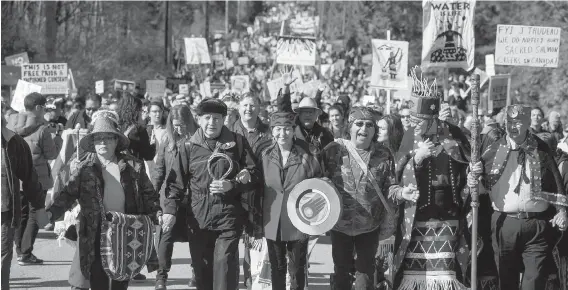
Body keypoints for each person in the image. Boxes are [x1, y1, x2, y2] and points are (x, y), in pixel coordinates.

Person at [48, 111, 162, 290]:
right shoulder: (84, 168)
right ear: (93, 143)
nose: (103, 142)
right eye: (99, 138)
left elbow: (149, 194)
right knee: (97, 280)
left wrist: (158, 213)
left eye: (108, 138)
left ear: (116, 141)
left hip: (125, 231)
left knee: (120, 280)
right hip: (94, 232)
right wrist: (49, 213)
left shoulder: (133, 166)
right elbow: (67, 195)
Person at [164, 98, 261, 290]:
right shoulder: (189, 146)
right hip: (198, 219)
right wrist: (169, 211)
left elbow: (255, 175)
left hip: (229, 218)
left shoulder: (238, 143)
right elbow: (175, 184)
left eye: (217, 118)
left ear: (224, 119)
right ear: (199, 119)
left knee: (224, 267)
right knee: (202, 273)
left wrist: (232, 184)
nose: (212, 123)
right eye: (207, 118)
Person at [468, 105, 567, 290]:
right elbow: (479, 183)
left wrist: (562, 211)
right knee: (506, 279)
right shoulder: (493, 150)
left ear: (528, 123)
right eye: (509, 122)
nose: (512, 126)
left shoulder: (541, 149)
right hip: (504, 223)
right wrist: (473, 175)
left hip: (537, 225)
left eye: (518, 122)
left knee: (534, 280)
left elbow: (555, 182)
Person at [391, 70, 472, 290]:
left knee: (446, 271)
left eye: (419, 120)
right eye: (412, 119)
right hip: (418, 211)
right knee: (417, 274)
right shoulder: (410, 135)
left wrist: (472, 173)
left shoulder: (454, 133)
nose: (414, 123)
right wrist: (416, 159)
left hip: (449, 210)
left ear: (433, 119)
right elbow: (396, 172)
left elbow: (470, 164)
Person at [321, 107, 405, 289]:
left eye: (369, 125)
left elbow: (390, 186)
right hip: (339, 224)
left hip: (369, 226)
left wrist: (401, 193)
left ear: (374, 130)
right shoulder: (333, 150)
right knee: (341, 273)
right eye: (359, 124)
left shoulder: (384, 155)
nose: (363, 129)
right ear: (349, 127)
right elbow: (319, 181)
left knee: (365, 275)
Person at [260, 111, 322, 290]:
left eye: (287, 129)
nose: (282, 134)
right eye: (278, 129)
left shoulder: (307, 154)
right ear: (272, 131)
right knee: (277, 267)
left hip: (299, 219)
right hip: (272, 220)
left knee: (297, 268)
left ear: (294, 130)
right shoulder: (265, 154)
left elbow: (319, 182)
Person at [6, 92, 60, 265]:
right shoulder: (42, 129)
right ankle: (26, 253)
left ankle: (20, 250)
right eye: (44, 107)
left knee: (20, 214)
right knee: (35, 213)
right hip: (37, 177)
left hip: (15, 178)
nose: (45, 111)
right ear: (38, 108)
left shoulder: (10, 124)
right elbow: (51, 154)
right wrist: (57, 137)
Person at [226, 93, 271, 287]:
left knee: (254, 240)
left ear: (259, 107)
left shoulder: (269, 133)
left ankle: (250, 279)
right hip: (233, 194)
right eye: (245, 105)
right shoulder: (228, 132)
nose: (248, 109)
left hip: (259, 193)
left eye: (252, 105)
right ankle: (231, 279)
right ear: (239, 107)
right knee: (231, 239)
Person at [153, 105, 197, 290]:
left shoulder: (198, 140)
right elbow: (159, 171)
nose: (179, 129)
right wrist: (152, 195)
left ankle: (196, 273)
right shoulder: (166, 140)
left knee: (196, 237)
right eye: (176, 125)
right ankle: (161, 276)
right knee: (165, 236)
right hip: (170, 196)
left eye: (183, 125)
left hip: (194, 197)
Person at [1, 114, 45, 290]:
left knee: (2, 255)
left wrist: (40, 208)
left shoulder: (15, 142)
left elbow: (29, 178)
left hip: (5, 210)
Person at [116, 92, 156, 162]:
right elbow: (148, 156)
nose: (141, 112)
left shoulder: (115, 126)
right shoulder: (138, 130)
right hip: (133, 170)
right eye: (141, 110)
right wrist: (153, 144)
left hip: (116, 167)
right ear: (136, 111)